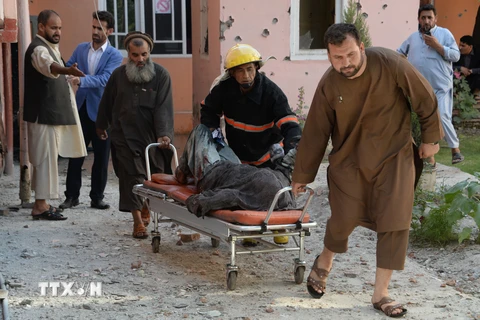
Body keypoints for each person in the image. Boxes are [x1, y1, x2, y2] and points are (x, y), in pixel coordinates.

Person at [291, 23, 443, 317]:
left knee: (395, 221)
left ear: (361, 47)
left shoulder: (390, 63)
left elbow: (424, 97)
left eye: (350, 55)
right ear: (329, 55)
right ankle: (324, 261)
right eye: (337, 58)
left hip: (394, 156)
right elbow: (315, 132)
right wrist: (302, 175)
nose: (345, 63)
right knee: (344, 216)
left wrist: (430, 139)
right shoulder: (329, 84)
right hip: (350, 160)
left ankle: (381, 294)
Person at [96, 31, 174, 239]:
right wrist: (101, 125)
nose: (140, 60)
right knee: (130, 177)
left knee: (153, 176)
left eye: (144, 55)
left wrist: (164, 134)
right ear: (128, 54)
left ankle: (147, 206)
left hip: (151, 136)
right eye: (135, 55)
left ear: (149, 53)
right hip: (124, 135)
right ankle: (137, 222)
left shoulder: (161, 75)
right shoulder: (118, 76)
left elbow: (164, 108)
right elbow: (107, 102)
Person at [23, 9, 87, 221]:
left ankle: (44, 203)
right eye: (53, 27)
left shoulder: (50, 47)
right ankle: (40, 206)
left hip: (50, 115)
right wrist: (67, 70)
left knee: (49, 159)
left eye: (59, 28)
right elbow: (47, 65)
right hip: (43, 115)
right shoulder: (38, 49)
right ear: (41, 26)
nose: (58, 31)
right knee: (44, 159)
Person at [59, 11, 123, 211]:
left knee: (102, 158)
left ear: (110, 31)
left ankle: (97, 198)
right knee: (76, 155)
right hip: (81, 108)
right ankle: (71, 196)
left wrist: (81, 80)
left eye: (100, 28)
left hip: (103, 113)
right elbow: (69, 67)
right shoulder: (81, 49)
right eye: (94, 27)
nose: (95, 31)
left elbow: (105, 79)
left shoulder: (115, 55)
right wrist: (67, 71)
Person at [200, 43, 302, 169]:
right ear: (232, 73)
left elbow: (290, 125)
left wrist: (291, 151)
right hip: (236, 161)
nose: (246, 76)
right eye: (240, 71)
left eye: (249, 69)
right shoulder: (224, 88)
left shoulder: (272, 93)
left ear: (256, 68)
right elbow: (208, 110)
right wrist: (214, 134)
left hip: (268, 161)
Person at [174, 124, 297, 218]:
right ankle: (282, 165)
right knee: (216, 138)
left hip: (213, 173)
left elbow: (229, 196)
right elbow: (290, 201)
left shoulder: (258, 194)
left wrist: (198, 201)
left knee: (201, 130)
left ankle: (183, 171)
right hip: (234, 167)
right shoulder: (282, 191)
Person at [398, 4, 464, 165]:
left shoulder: (444, 34)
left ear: (435, 19)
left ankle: (455, 150)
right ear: (418, 19)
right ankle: (429, 157)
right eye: (423, 18)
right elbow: (399, 53)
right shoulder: (413, 38)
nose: (426, 21)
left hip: (441, 87)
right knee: (422, 120)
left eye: (429, 17)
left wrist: (438, 47)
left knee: (441, 116)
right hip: (419, 88)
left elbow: (456, 56)